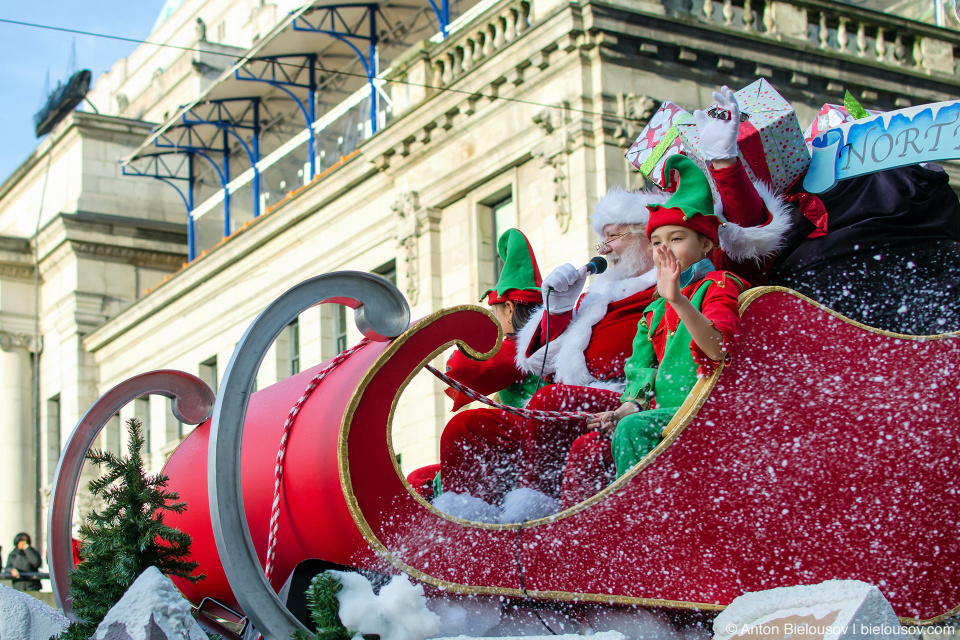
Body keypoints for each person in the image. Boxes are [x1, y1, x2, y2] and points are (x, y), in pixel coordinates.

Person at [562, 154, 746, 507]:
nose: (664, 249)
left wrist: (677, 299)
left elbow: (718, 349)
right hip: (667, 416)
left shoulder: (719, 284)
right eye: (658, 242)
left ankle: (638, 523)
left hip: (710, 412)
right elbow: (641, 371)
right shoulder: (653, 310)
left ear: (705, 244)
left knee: (633, 431)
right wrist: (626, 406)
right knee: (614, 430)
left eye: (676, 239)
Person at [704, 86, 960, 334]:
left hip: (831, 317)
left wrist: (726, 164)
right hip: (920, 314)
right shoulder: (919, 189)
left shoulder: (806, 205)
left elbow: (750, 239)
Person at [406, 228, 544, 500]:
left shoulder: (522, 347)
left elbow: (460, 370)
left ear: (509, 310)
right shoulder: (533, 342)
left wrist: (470, 334)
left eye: (494, 313)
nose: (495, 321)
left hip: (523, 449)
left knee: (462, 429)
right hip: (517, 447)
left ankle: (459, 517)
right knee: (418, 479)